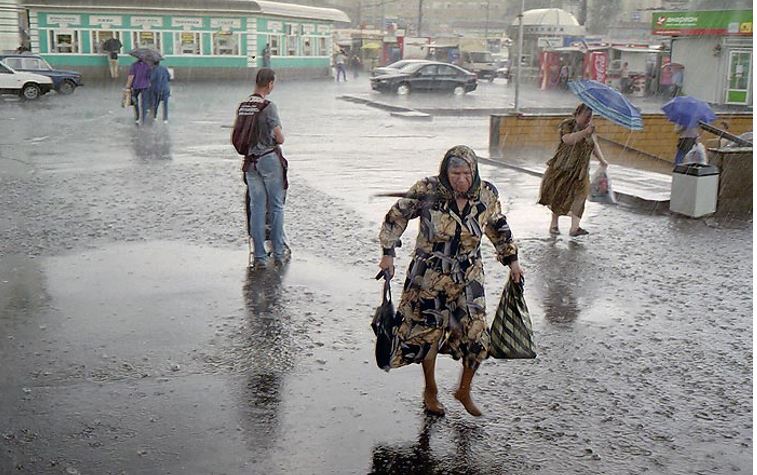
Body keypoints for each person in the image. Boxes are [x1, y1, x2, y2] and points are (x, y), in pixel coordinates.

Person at [378, 145, 524, 417]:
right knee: (427, 336)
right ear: (446, 172)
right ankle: (430, 390)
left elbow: (498, 226)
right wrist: (388, 253)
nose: (461, 178)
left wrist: (512, 260)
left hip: (468, 273)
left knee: (477, 335)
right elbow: (397, 215)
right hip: (429, 273)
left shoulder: (486, 195)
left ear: (474, 171)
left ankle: (463, 390)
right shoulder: (428, 190)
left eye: (466, 172)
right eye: (455, 172)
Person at [538, 103, 609, 237]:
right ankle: (554, 224)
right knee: (559, 195)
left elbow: (594, 145)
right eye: (585, 116)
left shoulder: (591, 129)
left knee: (580, 196)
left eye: (590, 116)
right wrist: (584, 133)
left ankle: (574, 228)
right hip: (564, 167)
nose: (588, 119)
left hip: (581, 171)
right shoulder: (568, 124)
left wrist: (602, 160)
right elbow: (567, 140)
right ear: (577, 114)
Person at [243, 68, 287, 269]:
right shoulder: (268, 107)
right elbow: (279, 138)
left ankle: (259, 256)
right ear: (269, 84)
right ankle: (278, 252)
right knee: (276, 207)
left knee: (257, 209)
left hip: (250, 162)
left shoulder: (245, 105)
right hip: (268, 160)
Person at [125, 58, 151, 125]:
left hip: (136, 86)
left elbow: (131, 77)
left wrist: (128, 86)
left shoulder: (134, 65)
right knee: (144, 102)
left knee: (135, 101)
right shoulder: (148, 65)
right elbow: (150, 76)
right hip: (145, 86)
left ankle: (137, 117)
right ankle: (144, 118)